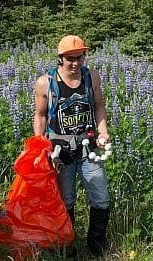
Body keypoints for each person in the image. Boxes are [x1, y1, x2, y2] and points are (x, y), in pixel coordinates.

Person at [33, 35, 111, 256]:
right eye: (70, 59)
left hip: (88, 148)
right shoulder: (46, 82)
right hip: (60, 151)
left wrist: (103, 131)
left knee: (101, 197)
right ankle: (67, 246)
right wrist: (39, 146)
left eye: (79, 57)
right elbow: (39, 116)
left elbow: (99, 105)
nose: (75, 63)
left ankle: (96, 244)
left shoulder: (91, 77)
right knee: (66, 200)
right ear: (60, 58)